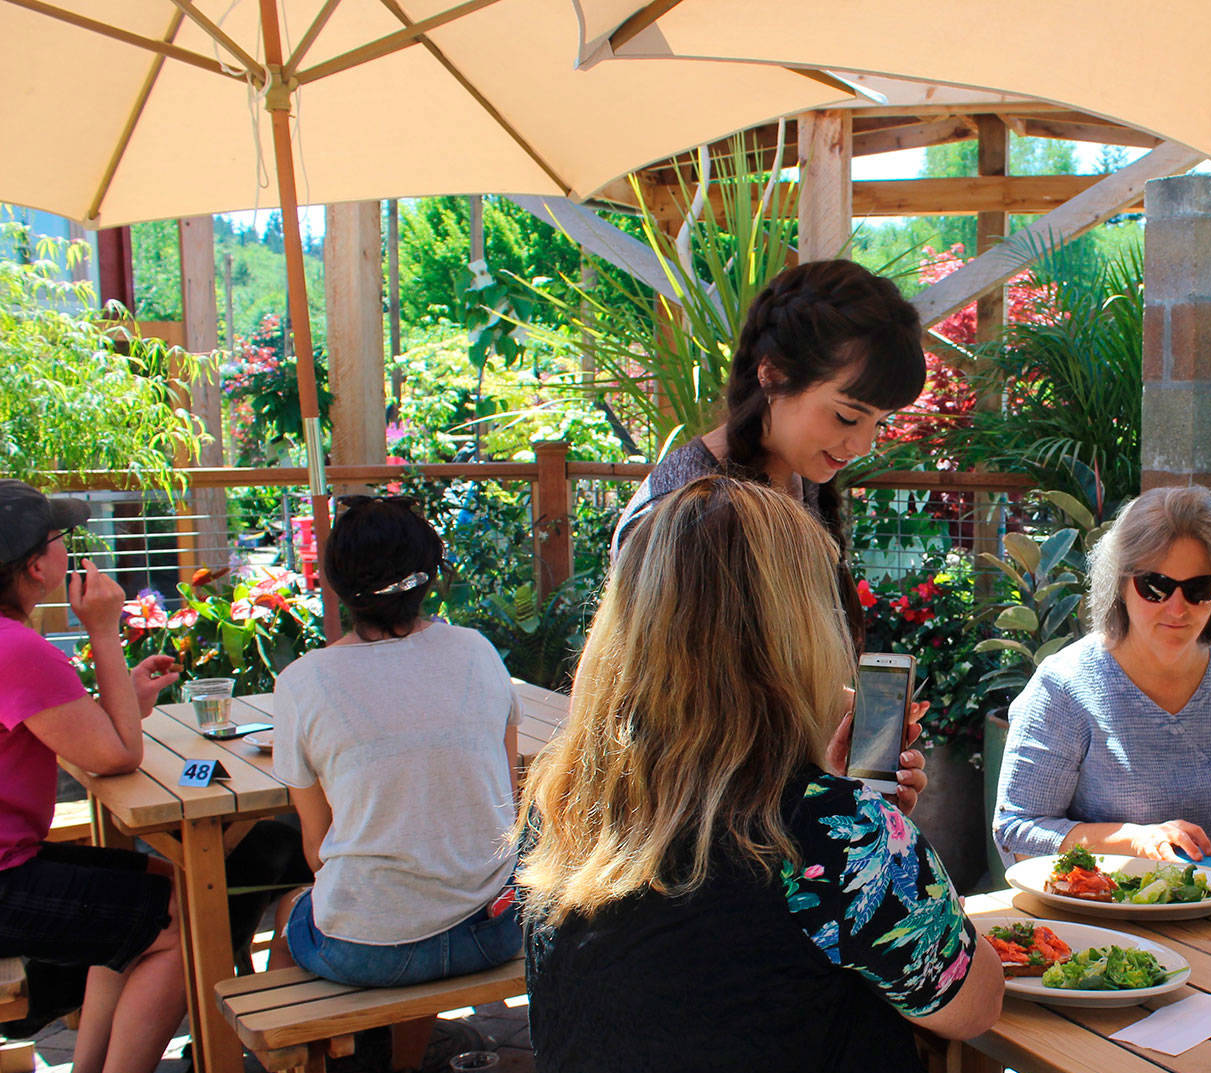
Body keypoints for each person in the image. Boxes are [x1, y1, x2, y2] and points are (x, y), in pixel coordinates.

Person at [518, 477, 1003, 1073]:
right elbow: (974, 1005)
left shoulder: (564, 798)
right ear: (795, 636)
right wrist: (880, 839)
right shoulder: (832, 829)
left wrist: (840, 798)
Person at [613, 258, 931, 810]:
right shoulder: (684, 511)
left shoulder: (800, 484)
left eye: (879, 422)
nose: (862, 446)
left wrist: (845, 758)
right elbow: (677, 725)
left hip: (773, 817)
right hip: (694, 836)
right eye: (847, 416)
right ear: (772, 374)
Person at [270, 494, 522, 986]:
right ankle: (407, 1059)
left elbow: (318, 850)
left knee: (290, 911)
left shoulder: (303, 681)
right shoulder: (477, 651)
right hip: (494, 930)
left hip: (369, 950)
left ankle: (298, 1057)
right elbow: (504, 801)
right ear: (429, 572)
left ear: (336, 581)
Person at [0, 480, 185, 1073]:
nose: (73, 549)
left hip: (11, 862)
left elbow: (84, 736)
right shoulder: (18, 649)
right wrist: (104, 628)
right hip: (5, 879)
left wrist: (126, 699)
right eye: (62, 538)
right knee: (185, 930)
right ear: (35, 566)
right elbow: (117, 757)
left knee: (166, 891)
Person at [994, 484, 1211, 862]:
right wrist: (1131, 840)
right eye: (1156, 587)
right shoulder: (1064, 685)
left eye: (1198, 588)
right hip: (1100, 913)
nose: (1177, 609)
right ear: (1120, 586)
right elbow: (1016, 831)